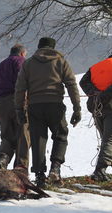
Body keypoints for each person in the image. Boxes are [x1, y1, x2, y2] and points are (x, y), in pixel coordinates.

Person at [15, 37, 81, 188]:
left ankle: (39, 176)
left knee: (38, 139)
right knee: (60, 135)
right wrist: (77, 108)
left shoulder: (28, 63)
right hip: (55, 104)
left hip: (35, 106)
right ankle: (55, 167)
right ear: (53, 47)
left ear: (39, 47)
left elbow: (20, 88)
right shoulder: (60, 62)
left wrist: (19, 109)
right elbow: (71, 84)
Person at [79, 42, 112, 181]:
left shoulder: (96, 66)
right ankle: (100, 170)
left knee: (108, 140)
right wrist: (104, 96)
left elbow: (83, 82)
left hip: (96, 106)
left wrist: (94, 93)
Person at [0, 44, 30, 170]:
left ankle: (2, 159)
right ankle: (20, 168)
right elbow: (22, 81)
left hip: (1, 104)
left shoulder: (1, 65)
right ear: (22, 53)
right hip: (18, 101)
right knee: (23, 134)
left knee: (7, 136)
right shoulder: (21, 62)